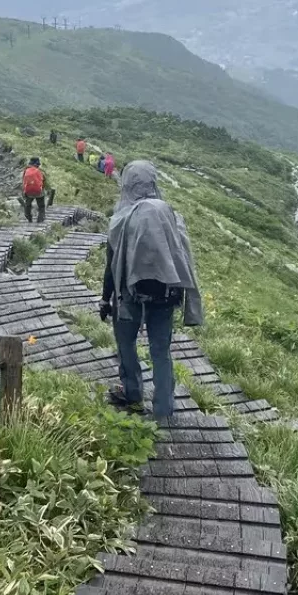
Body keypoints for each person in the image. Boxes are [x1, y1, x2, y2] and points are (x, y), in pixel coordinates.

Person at [100, 161, 203, 419]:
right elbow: (184, 259)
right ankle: (164, 409)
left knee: (127, 344)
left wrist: (105, 299)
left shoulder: (119, 220)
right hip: (166, 295)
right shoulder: (171, 216)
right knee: (161, 351)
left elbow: (111, 267)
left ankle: (133, 393)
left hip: (129, 296)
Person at [21, 156, 48, 222]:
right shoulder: (40, 171)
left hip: (29, 192)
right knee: (41, 206)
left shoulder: (26, 171)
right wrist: (42, 188)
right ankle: (40, 220)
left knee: (28, 205)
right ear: (38, 164)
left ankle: (29, 218)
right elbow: (44, 180)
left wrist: (24, 191)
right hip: (39, 192)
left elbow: (23, 181)